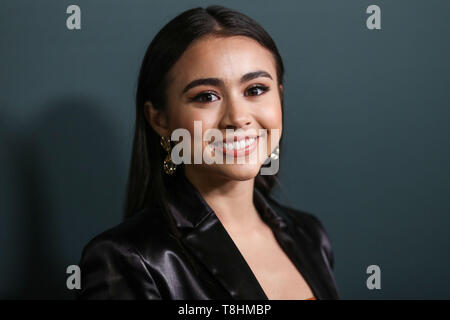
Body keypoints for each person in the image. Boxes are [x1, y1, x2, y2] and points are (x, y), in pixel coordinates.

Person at [76, 5, 339, 300]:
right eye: (207, 96)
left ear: (279, 94)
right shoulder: (127, 260)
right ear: (159, 120)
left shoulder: (310, 235)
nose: (238, 118)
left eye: (255, 90)